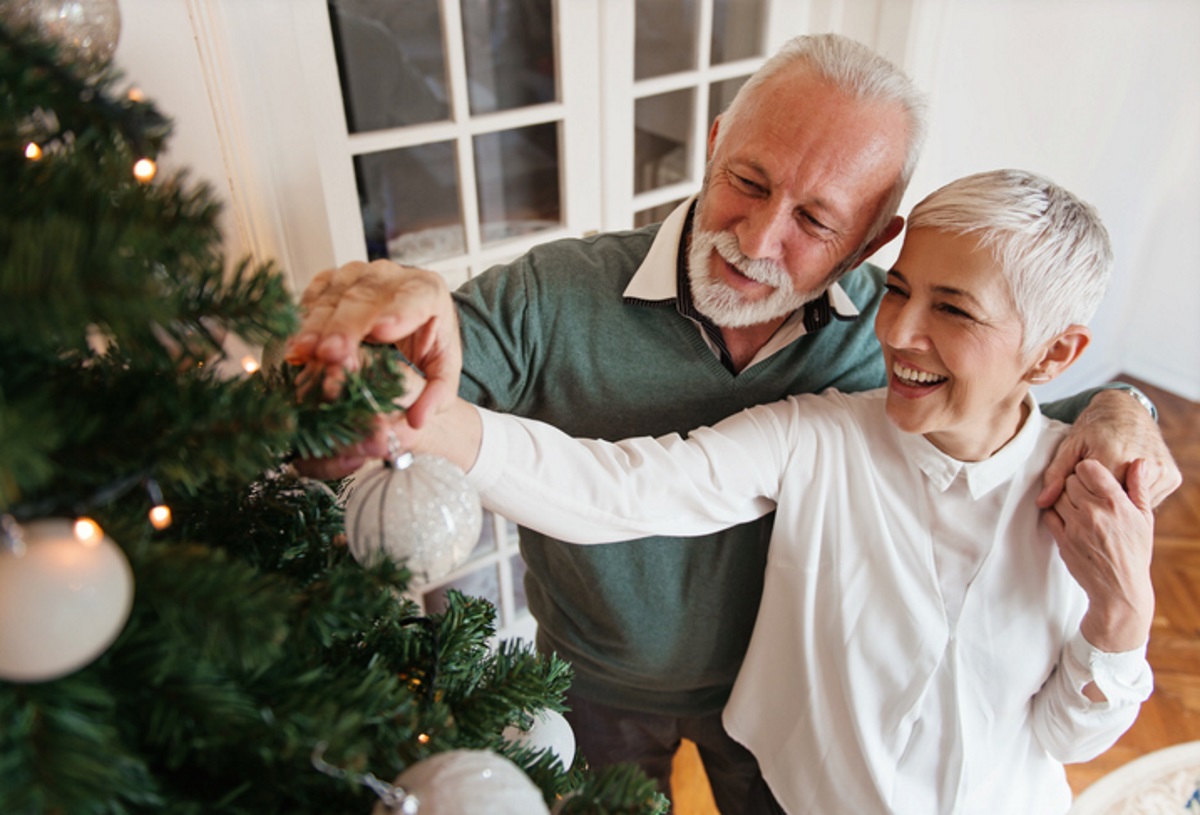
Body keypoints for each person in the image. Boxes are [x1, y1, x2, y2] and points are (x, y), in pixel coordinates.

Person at [286, 35, 1180, 809]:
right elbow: (417, 397)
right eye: (747, 180)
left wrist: (1126, 408)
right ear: (714, 146)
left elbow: (1019, 420)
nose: (756, 239)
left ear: (873, 242)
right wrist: (373, 343)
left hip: (776, 704)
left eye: (816, 221)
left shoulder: (897, 336)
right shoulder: (553, 294)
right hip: (590, 685)